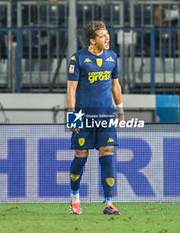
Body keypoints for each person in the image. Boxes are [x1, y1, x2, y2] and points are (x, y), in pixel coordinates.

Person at [67, 21, 123, 215]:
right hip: (83, 116)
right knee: (80, 158)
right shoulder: (78, 59)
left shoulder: (112, 58)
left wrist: (120, 109)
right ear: (92, 40)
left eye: (107, 33)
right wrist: (72, 116)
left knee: (107, 158)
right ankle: (75, 198)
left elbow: (116, 85)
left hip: (106, 116)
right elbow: (71, 89)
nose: (107, 38)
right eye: (102, 35)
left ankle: (108, 203)